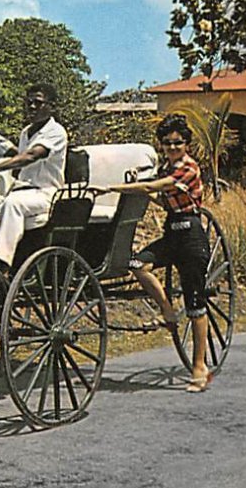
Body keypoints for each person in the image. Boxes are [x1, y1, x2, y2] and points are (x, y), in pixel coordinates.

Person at [104, 113, 212, 393]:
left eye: (177, 142)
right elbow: (160, 197)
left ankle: (200, 367)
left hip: (191, 237)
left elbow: (155, 186)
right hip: (172, 233)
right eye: (167, 143)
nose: (172, 147)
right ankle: (167, 310)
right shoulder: (166, 167)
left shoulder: (189, 168)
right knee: (138, 264)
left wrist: (118, 187)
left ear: (186, 143)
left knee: (196, 306)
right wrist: (139, 186)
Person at [0, 83, 68, 273]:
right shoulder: (25, 132)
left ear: (52, 106)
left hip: (46, 194)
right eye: (29, 102)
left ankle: (2, 264)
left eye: (38, 103)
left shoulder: (56, 132)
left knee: (13, 204)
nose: (32, 107)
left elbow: (31, 156)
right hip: (21, 192)